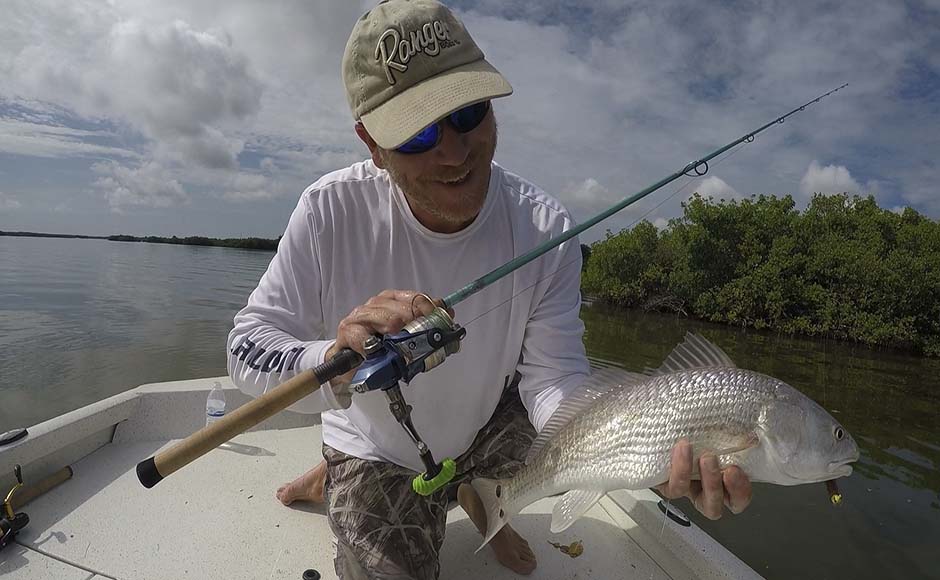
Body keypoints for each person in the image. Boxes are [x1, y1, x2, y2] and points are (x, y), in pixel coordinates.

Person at [227, 1, 753, 578]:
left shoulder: (546, 227)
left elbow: (554, 382)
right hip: (381, 444)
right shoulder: (329, 210)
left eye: (467, 112)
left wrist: (637, 451)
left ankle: (475, 490)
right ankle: (344, 469)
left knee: (569, 427)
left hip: (487, 425)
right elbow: (245, 347)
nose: (452, 152)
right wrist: (334, 358)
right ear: (372, 144)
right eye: (417, 133)